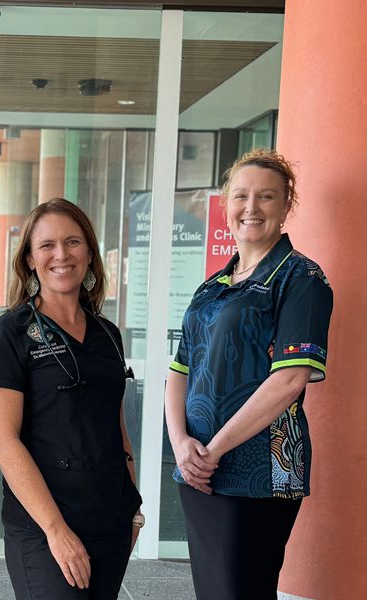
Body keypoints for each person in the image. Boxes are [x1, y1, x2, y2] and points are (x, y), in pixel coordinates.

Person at [165, 149, 333, 599]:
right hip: (200, 469)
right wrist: (182, 445)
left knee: (242, 591)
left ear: (286, 206)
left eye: (266, 196)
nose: (251, 207)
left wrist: (212, 450)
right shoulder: (212, 286)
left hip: (262, 471)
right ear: (226, 205)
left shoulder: (301, 279)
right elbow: (180, 369)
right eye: (241, 196)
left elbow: (290, 380)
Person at [0, 199, 143, 600]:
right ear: (30, 259)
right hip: (43, 524)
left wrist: (132, 509)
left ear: (88, 253)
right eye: (47, 245)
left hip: (110, 518)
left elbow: (115, 426)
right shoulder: (7, 334)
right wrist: (56, 530)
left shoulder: (107, 334)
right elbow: (1, 440)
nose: (61, 255)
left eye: (72, 242)